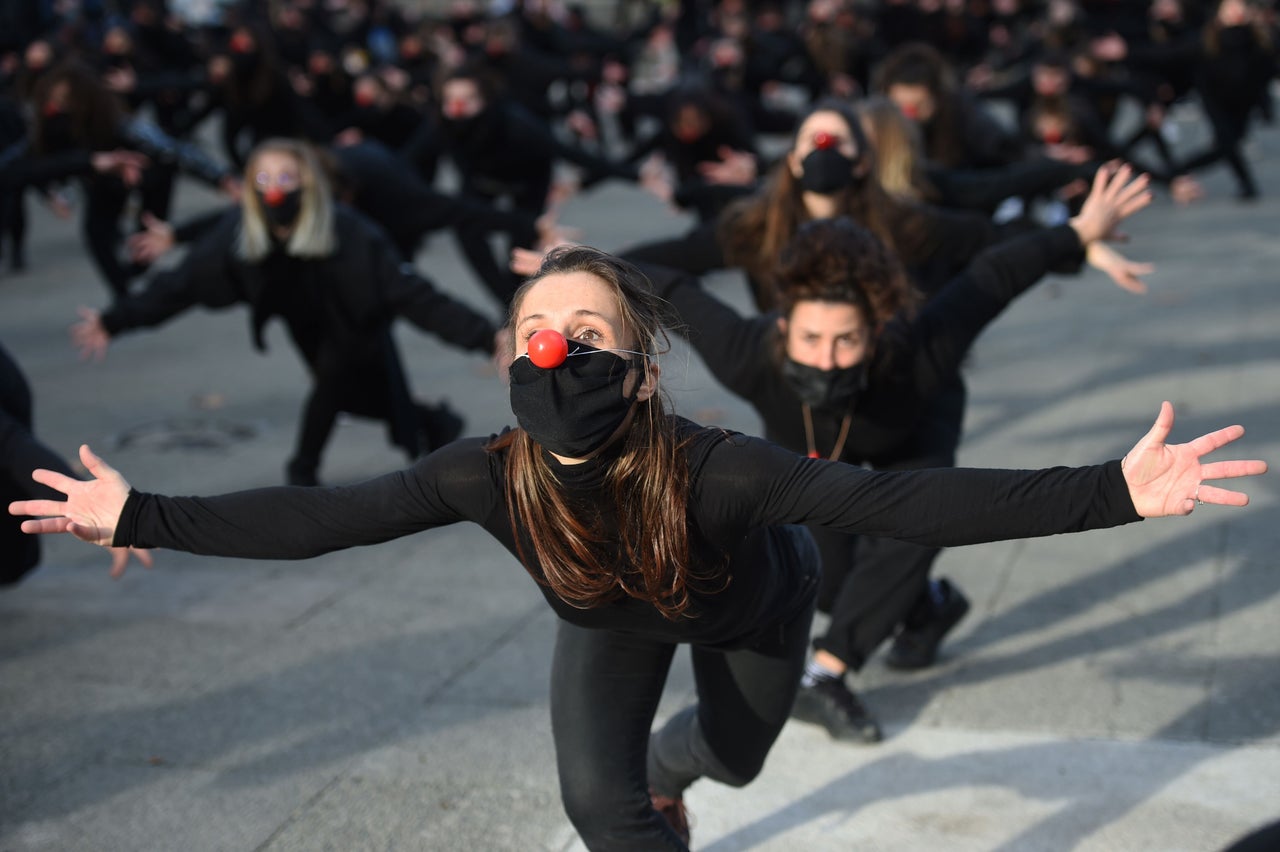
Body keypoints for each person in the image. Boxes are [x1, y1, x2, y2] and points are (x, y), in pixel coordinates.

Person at [9, 246, 1266, 851]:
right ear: (509, 355)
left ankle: (689, 756)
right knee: (597, 803)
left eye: (586, 327)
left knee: (726, 751)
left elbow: (901, 504)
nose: (555, 345)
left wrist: (1110, 489)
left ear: (638, 359)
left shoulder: (720, 467)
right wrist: (142, 516)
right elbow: (322, 519)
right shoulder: (482, 474)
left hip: (752, 616)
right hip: (606, 620)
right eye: (535, 325)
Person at [70, 138, 502, 487]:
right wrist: (115, 319)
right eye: (263, 177)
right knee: (352, 396)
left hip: (355, 319)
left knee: (332, 381)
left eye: (286, 177)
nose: (275, 187)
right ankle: (433, 419)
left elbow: (416, 295)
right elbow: (180, 284)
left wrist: (487, 337)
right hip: (304, 323)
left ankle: (302, 469)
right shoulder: (238, 230)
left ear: (308, 184)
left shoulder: (351, 231)